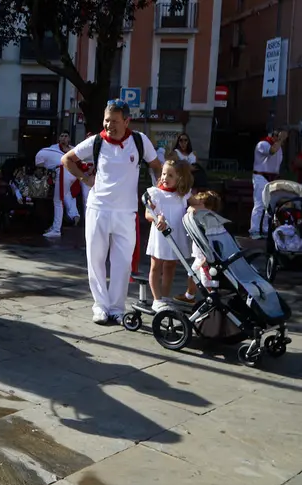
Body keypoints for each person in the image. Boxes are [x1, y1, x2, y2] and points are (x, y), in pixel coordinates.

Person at [63, 99, 163, 326]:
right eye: (107, 120)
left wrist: (157, 194)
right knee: (96, 260)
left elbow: (156, 166)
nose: (109, 125)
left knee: (122, 263)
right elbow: (67, 159)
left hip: (126, 213)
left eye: (115, 121)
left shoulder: (139, 141)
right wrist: (84, 178)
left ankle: (117, 308)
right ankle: (100, 306)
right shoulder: (96, 141)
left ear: (126, 121)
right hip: (98, 209)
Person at [143, 160, 194, 311]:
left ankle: (165, 296)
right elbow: (147, 213)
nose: (165, 177)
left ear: (180, 178)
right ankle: (156, 299)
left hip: (176, 233)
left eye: (170, 175)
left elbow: (196, 204)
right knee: (156, 265)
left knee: (171, 265)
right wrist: (157, 217)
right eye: (164, 174)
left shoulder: (183, 194)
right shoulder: (155, 193)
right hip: (160, 234)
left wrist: (194, 209)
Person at [35, 132, 80, 238]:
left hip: (64, 172)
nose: (63, 138)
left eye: (66, 136)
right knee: (66, 195)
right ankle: (73, 215)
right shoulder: (53, 149)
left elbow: (39, 167)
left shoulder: (42, 154)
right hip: (71, 172)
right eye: (62, 136)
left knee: (58, 201)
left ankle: (56, 229)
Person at [250, 127, 287, 239]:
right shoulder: (263, 144)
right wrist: (280, 139)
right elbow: (271, 151)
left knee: (270, 205)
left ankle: (266, 229)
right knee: (259, 204)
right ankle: (254, 230)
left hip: (273, 177)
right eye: (278, 136)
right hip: (261, 176)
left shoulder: (279, 147)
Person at [186, 190, 223, 295]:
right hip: (200, 256)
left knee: (207, 282)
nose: (192, 206)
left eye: (197, 204)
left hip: (207, 258)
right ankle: (189, 296)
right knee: (191, 275)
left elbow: (213, 242)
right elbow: (189, 210)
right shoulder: (201, 220)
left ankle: (213, 299)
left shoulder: (210, 223)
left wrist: (207, 259)